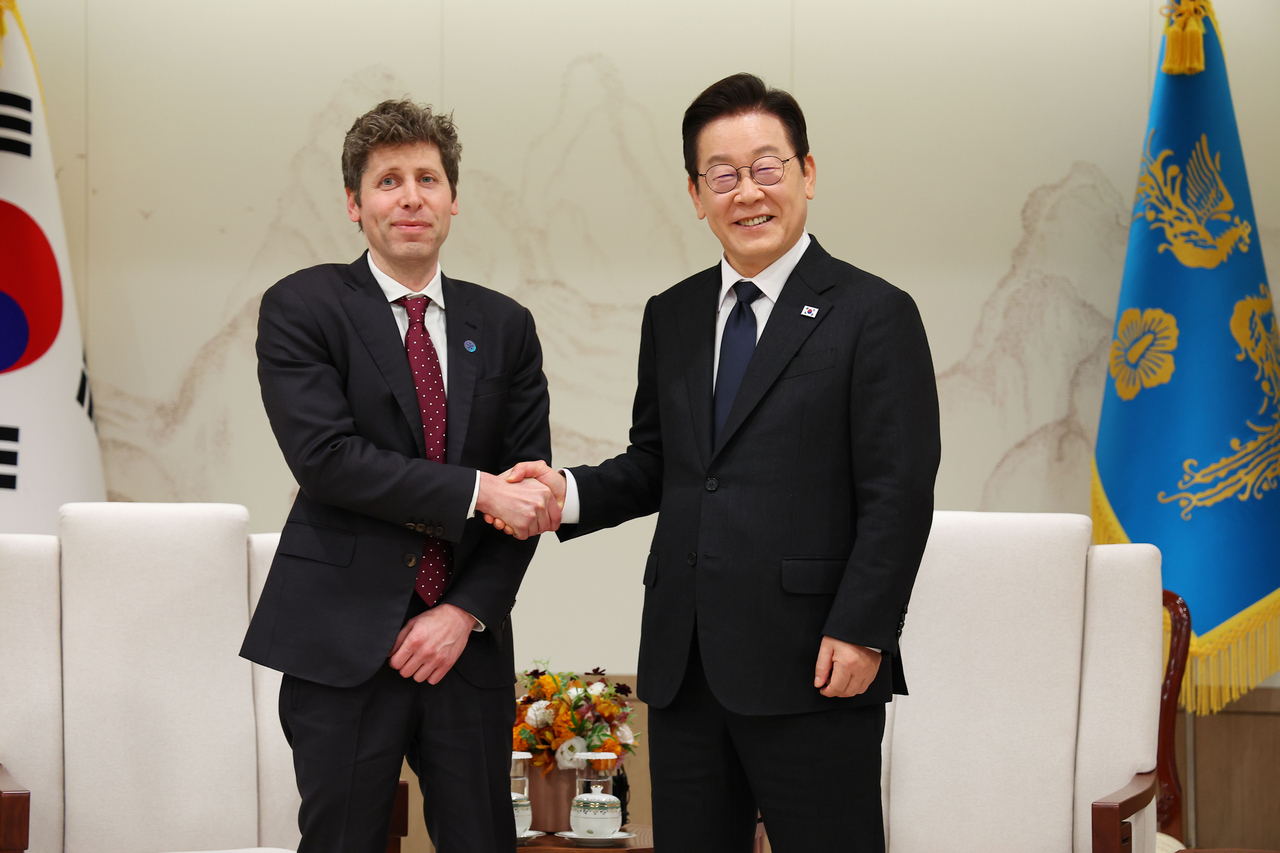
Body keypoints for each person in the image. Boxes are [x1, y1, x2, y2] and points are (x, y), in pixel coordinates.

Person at [493, 74, 940, 852]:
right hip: (684, 662)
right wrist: (564, 493)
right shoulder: (673, 313)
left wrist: (865, 628)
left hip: (815, 660)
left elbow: (898, 491)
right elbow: (662, 461)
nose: (748, 192)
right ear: (697, 195)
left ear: (807, 173)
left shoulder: (874, 313)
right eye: (723, 175)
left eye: (768, 167)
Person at [241, 99, 559, 853]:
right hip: (343, 640)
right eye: (388, 181)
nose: (410, 196)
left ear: (454, 199)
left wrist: (464, 612)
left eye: (427, 178)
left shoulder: (505, 325)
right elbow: (327, 460)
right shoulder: (304, 306)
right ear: (355, 204)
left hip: (465, 647)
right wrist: (477, 491)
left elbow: (529, 493)